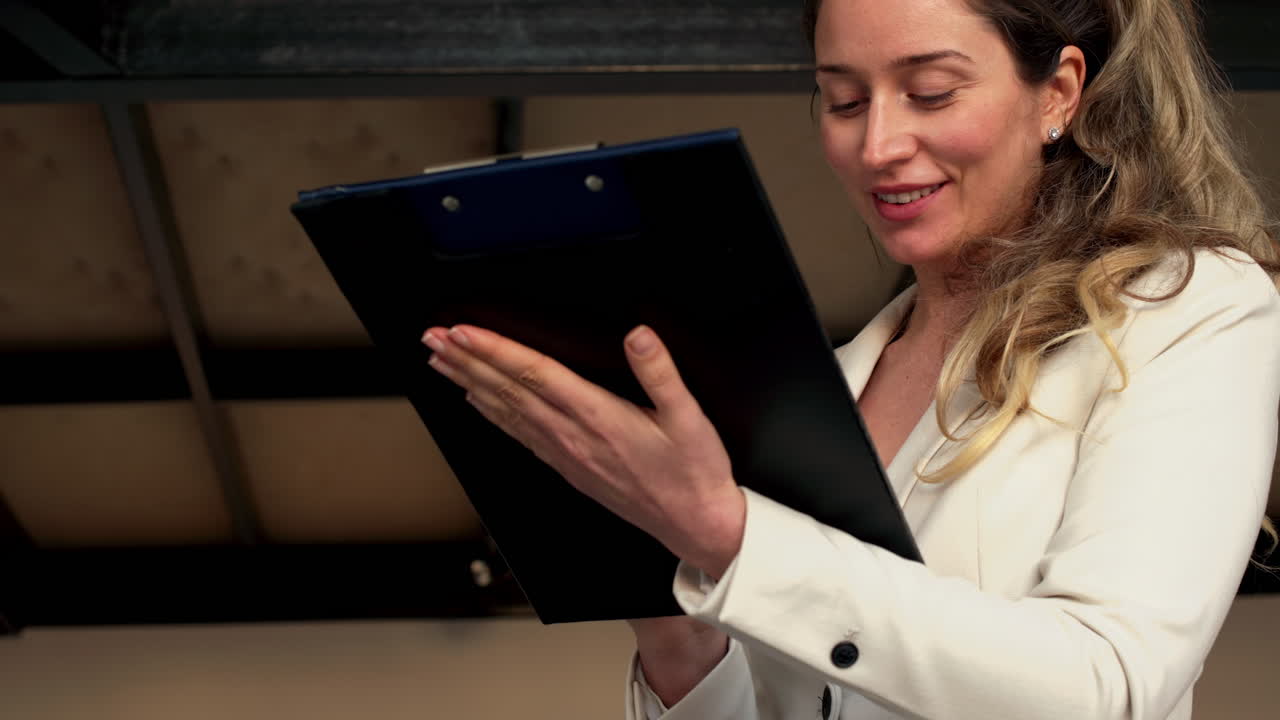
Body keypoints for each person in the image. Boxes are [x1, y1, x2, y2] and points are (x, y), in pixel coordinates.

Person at [419, 0, 1280, 717]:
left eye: (931, 93)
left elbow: (1109, 686)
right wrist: (673, 622)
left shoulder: (1190, 306)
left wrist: (731, 534)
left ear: (1058, 93)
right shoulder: (827, 384)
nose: (876, 147)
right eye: (842, 100)